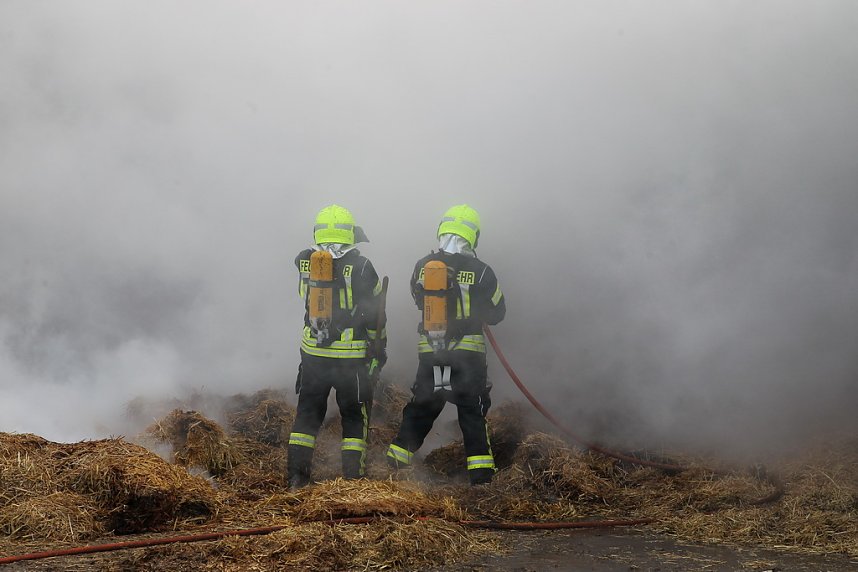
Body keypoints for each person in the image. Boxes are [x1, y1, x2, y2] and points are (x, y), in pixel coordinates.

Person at [387, 204, 505, 485]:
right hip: (468, 354)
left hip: (430, 352)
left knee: (423, 406)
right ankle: (481, 479)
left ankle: (393, 463)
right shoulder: (482, 271)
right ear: (472, 235)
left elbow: (418, 300)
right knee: (471, 411)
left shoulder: (422, 265)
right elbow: (498, 313)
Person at [287, 204, 386, 489]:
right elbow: (377, 313)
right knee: (354, 417)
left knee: (306, 416)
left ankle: (296, 480)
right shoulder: (363, 266)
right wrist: (379, 349)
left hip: (313, 354)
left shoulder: (303, 260)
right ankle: (353, 481)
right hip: (350, 357)